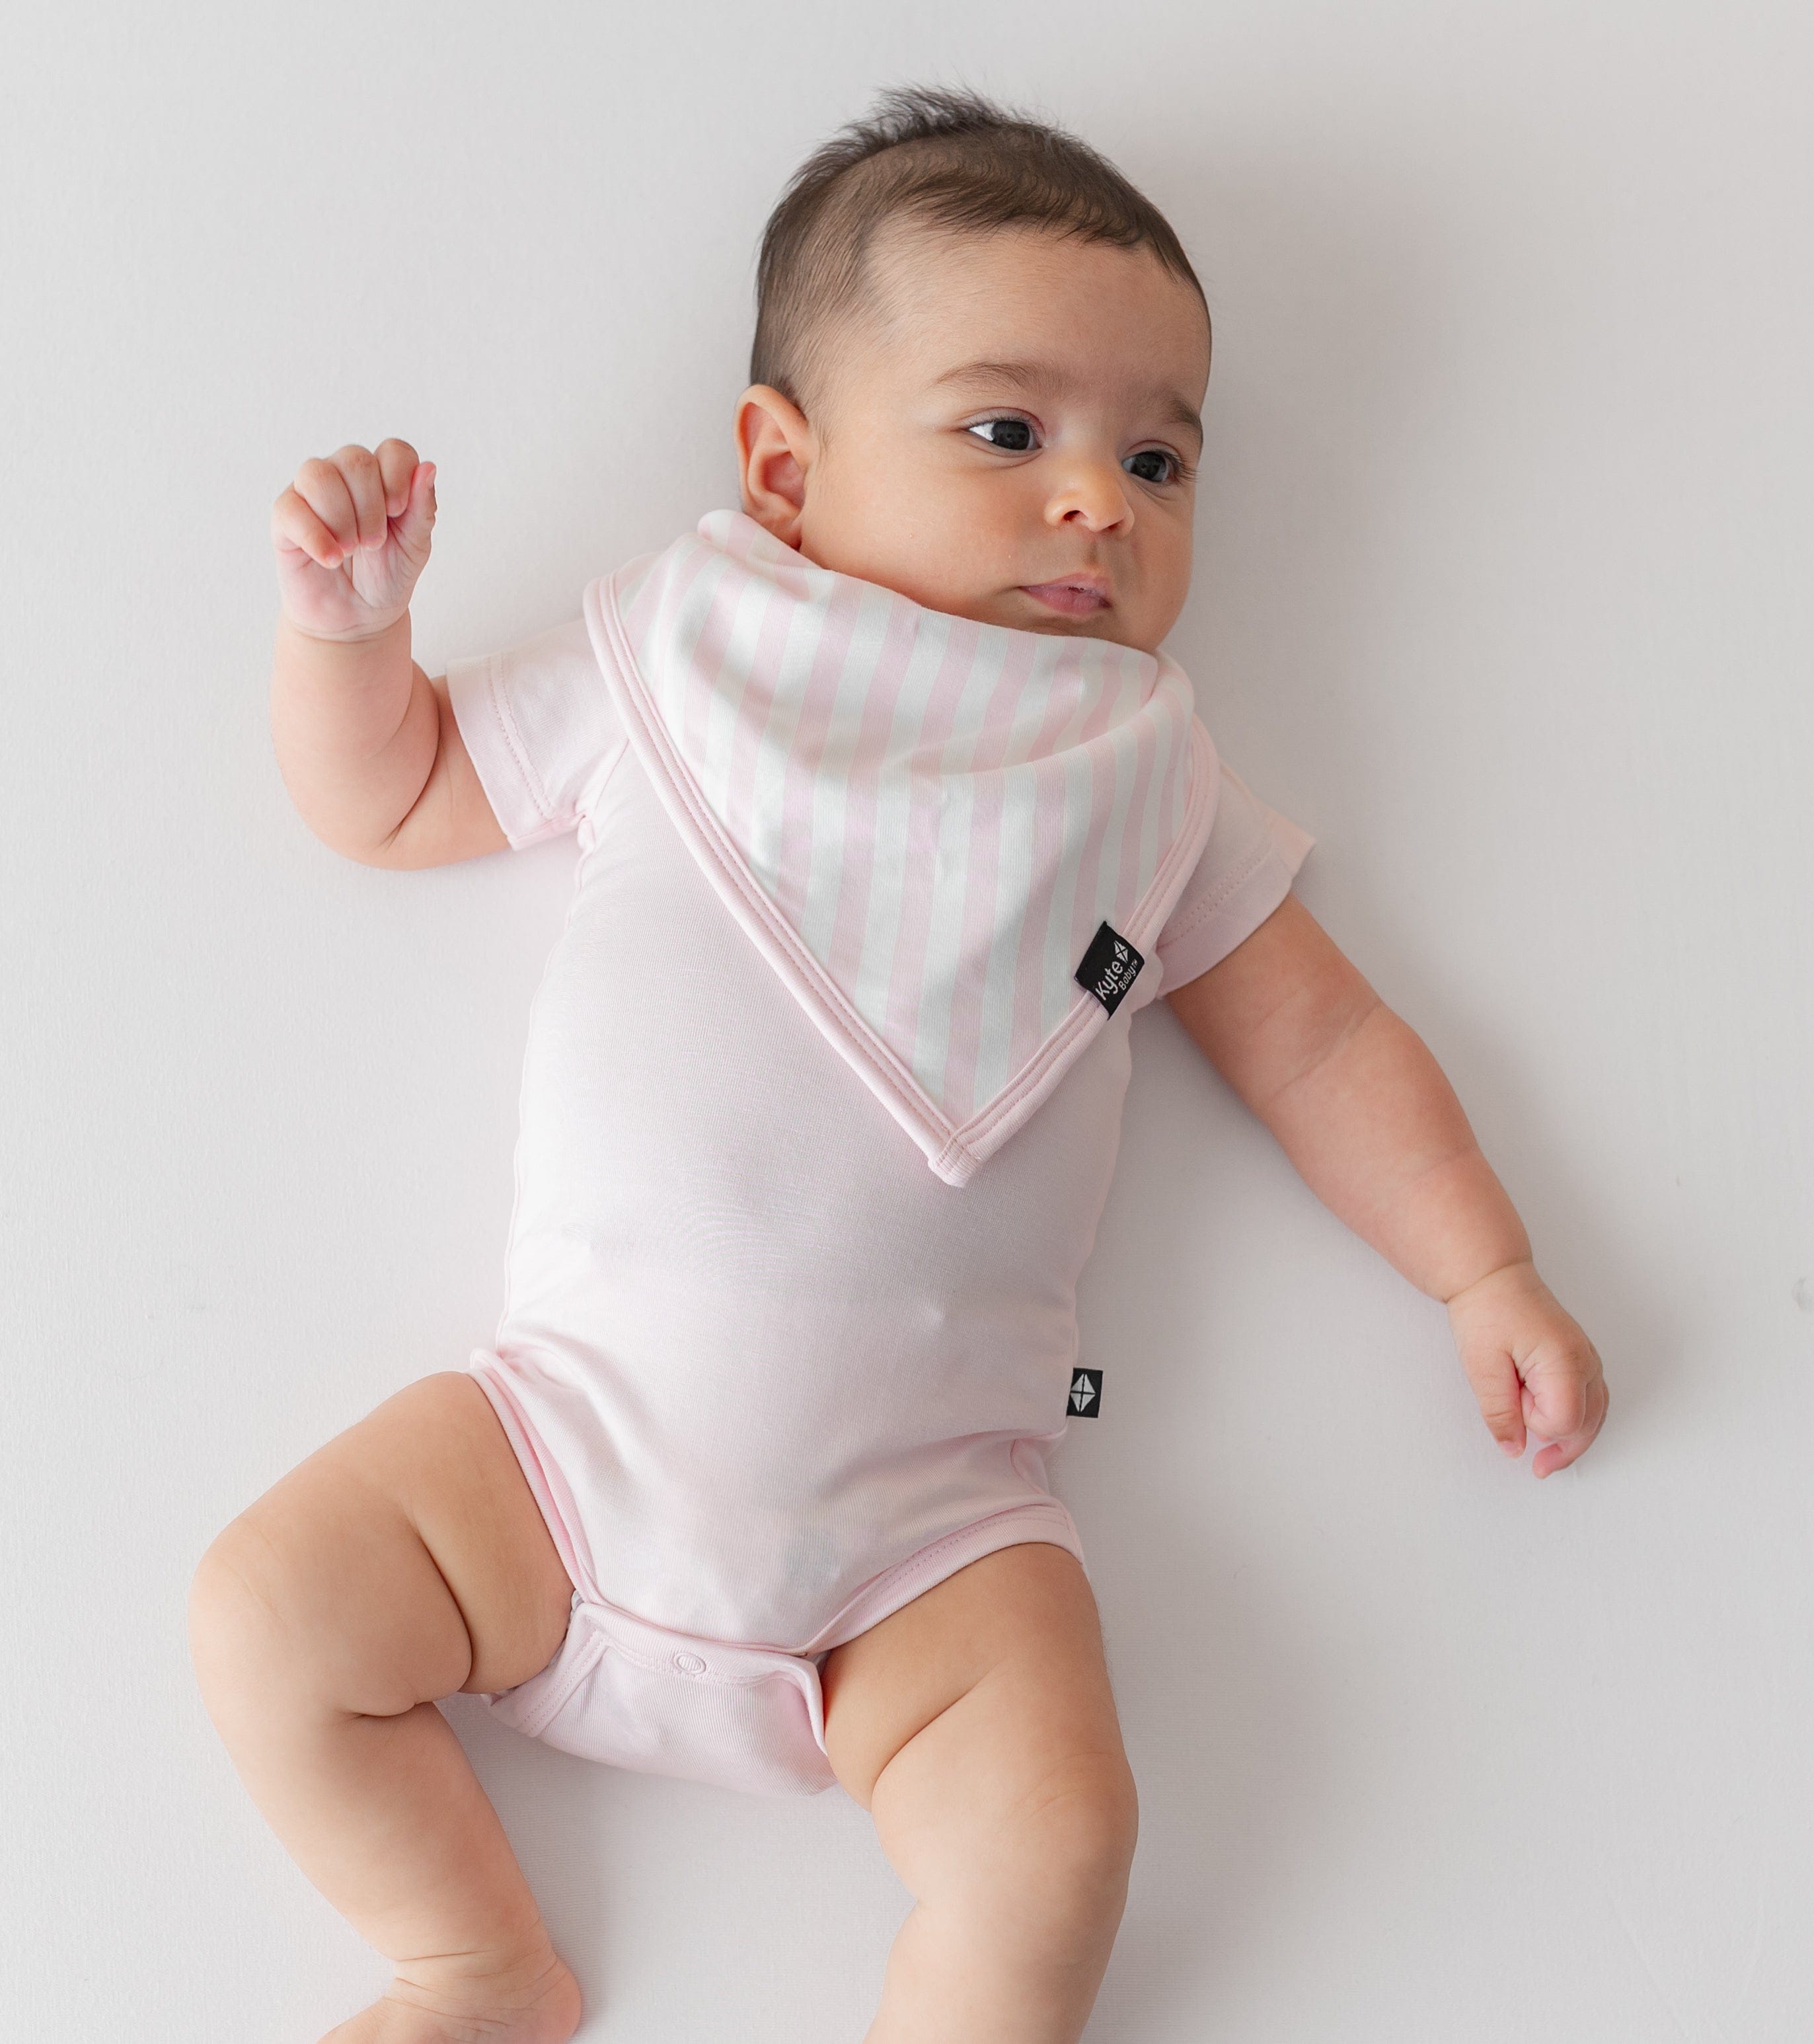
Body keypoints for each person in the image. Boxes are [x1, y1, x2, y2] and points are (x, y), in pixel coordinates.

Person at [190, 83, 1608, 2044]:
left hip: (932, 1548)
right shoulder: (681, 659)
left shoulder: (1149, 784)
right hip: (557, 1455)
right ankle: (475, 1960)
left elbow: (1325, 1042)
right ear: (784, 468)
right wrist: (350, 642)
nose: (1100, 500)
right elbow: (402, 789)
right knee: (268, 1615)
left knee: (1058, 1839)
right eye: (1010, 431)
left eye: (1159, 457)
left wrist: (1481, 1265)